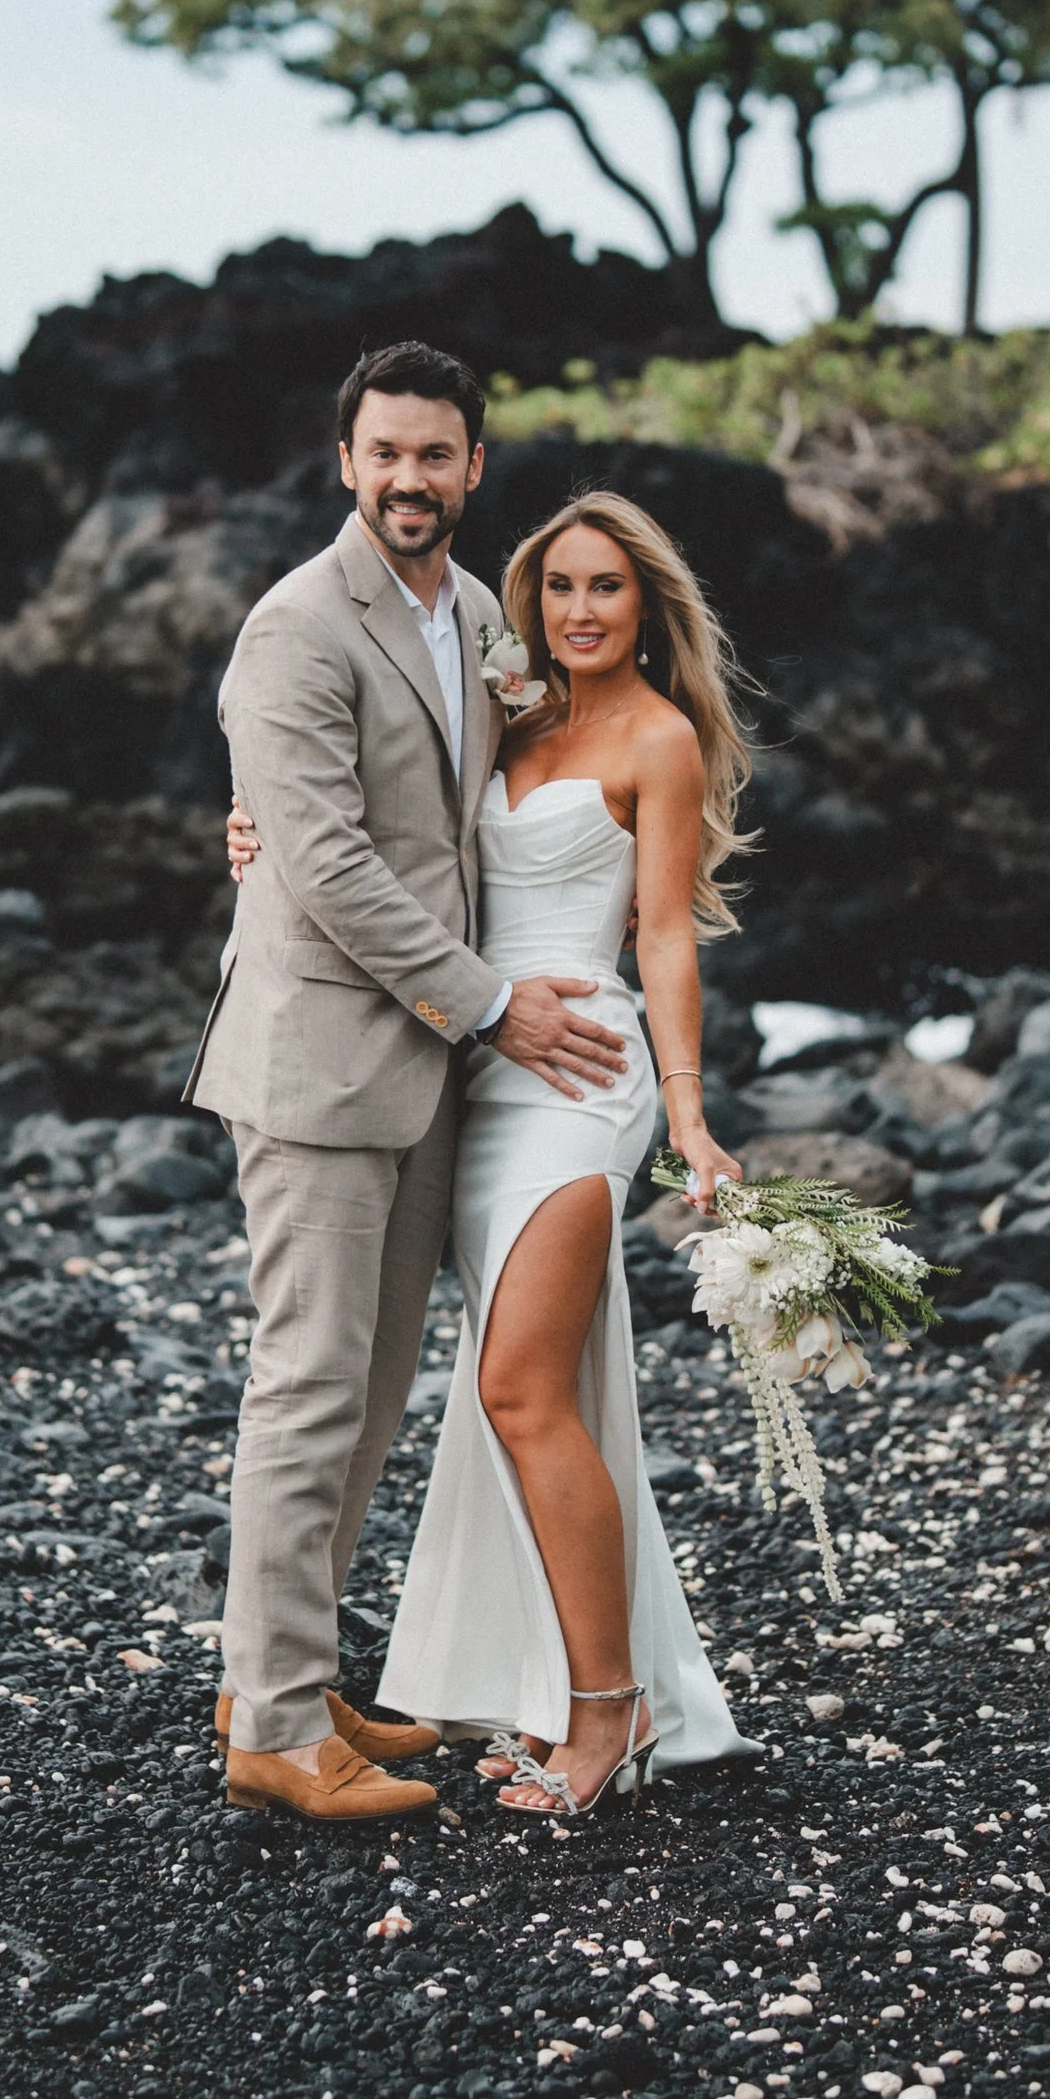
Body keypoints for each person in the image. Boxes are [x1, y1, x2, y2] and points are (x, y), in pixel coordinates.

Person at [227, 486, 758, 1826]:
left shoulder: (661, 737)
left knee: (522, 1388)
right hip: (467, 1069)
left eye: (608, 589)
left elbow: (667, 939)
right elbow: (367, 820)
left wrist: (689, 1115)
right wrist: (254, 835)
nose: (581, 610)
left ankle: (607, 1709)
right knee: (530, 1383)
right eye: (562, 586)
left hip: (580, 1074)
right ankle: (562, 1679)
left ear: (649, 606)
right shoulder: (507, 704)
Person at [192, 343, 630, 1828]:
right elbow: (321, 857)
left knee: (370, 1393)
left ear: (472, 469)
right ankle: (265, 1723)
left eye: (435, 456)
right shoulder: (296, 624)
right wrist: (498, 999)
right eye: (385, 454)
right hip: (321, 1064)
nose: (408, 479)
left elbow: (463, 792)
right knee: (308, 1384)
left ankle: (299, 1675)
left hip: (423, 1069)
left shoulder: (470, 620)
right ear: (345, 462)